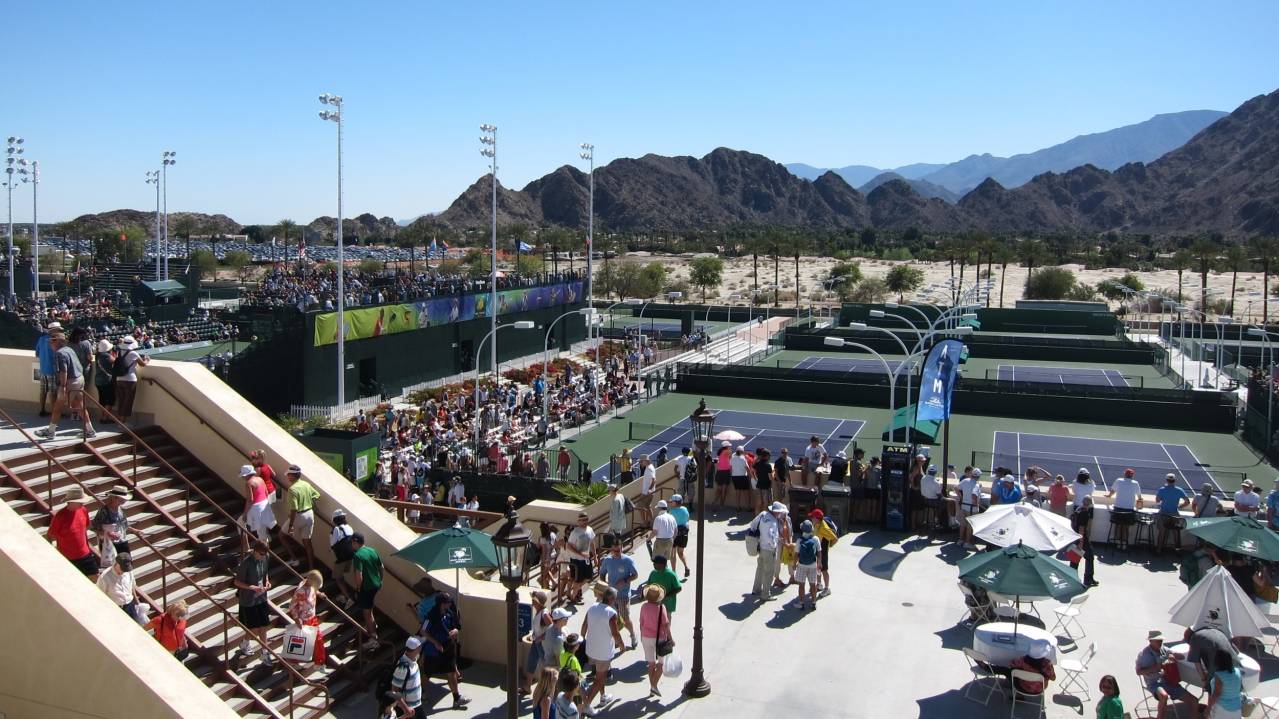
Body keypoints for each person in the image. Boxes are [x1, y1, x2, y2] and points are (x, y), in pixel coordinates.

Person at [36, 332, 96, 440]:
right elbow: (79, 366)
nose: (51, 343)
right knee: (79, 406)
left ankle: (51, 432)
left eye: (53, 341)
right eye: (50, 341)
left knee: (58, 406)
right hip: (79, 379)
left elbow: (63, 371)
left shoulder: (59, 354)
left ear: (59, 342)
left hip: (69, 383)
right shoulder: (69, 350)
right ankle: (90, 430)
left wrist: (63, 387)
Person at [421, 594, 470, 708]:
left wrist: (456, 631)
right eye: (447, 602)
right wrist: (435, 642)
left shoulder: (450, 613)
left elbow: (457, 626)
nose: (449, 604)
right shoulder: (430, 616)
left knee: (451, 672)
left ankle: (456, 698)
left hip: (448, 647)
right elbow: (423, 631)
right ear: (442, 604)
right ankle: (421, 691)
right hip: (434, 650)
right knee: (428, 673)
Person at [581, 587, 625, 711]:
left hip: (591, 649)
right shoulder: (611, 613)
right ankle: (586, 705)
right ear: (611, 599)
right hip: (603, 652)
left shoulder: (592, 607)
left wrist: (582, 640)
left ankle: (603, 696)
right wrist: (621, 646)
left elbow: (584, 625)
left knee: (599, 674)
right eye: (615, 598)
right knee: (600, 679)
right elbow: (615, 633)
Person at [1135, 629, 1194, 719]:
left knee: (1193, 701)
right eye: (1157, 640)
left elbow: (1181, 656)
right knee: (1164, 696)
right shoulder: (1144, 655)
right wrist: (1156, 667)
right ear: (1151, 641)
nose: (1160, 642)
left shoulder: (1164, 649)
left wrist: (1173, 655)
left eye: (1161, 640)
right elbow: (1139, 672)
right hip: (1154, 683)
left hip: (1169, 681)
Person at [234, 541, 274, 665]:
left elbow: (265, 572)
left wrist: (266, 581)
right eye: (261, 554)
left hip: (261, 597)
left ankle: (264, 653)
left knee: (263, 627)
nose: (263, 557)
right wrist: (251, 587)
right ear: (255, 551)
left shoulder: (265, 557)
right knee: (254, 629)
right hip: (248, 599)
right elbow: (237, 582)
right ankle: (245, 643)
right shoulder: (246, 563)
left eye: (265, 554)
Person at [599, 537, 639, 650]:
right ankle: (617, 639)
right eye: (615, 551)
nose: (617, 553)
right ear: (611, 549)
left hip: (623, 595)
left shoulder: (628, 561)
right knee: (613, 619)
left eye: (619, 550)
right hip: (610, 596)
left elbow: (635, 575)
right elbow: (602, 573)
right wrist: (604, 584)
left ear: (622, 548)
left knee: (625, 619)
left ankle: (632, 635)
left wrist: (625, 580)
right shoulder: (607, 560)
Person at [49, 486, 98, 579]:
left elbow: (86, 526)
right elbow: (51, 535)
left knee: (95, 577)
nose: (82, 503)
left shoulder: (83, 510)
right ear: (71, 501)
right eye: (80, 501)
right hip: (68, 557)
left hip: (85, 553)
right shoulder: (60, 516)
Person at [288, 569, 328, 668]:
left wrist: (319, 594)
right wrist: (297, 619)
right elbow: (292, 606)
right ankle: (295, 661)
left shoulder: (310, 585)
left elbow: (314, 589)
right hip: (304, 619)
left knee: (317, 639)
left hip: (312, 617)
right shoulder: (301, 591)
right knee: (303, 640)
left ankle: (319, 662)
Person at [351, 532, 383, 651]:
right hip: (375, 585)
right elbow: (381, 567)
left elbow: (359, 575)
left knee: (367, 613)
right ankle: (373, 630)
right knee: (370, 610)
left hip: (366, 588)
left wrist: (358, 589)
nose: (351, 545)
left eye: (352, 543)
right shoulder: (372, 551)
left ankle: (373, 639)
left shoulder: (358, 555)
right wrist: (380, 581)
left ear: (355, 542)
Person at [283, 465, 320, 569]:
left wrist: (291, 525)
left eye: (289, 475)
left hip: (299, 516)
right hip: (310, 514)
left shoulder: (292, 489)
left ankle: (294, 559)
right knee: (307, 543)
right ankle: (311, 568)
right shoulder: (306, 484)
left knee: (281, 535)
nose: (287, 477)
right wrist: (309, 500)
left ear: (293, 476)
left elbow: (294, 508)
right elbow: (317, 495)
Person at [638, 584, 672, 698]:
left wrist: (642, 635)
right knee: (661, 664)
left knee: (651, 664)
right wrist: (671, 639)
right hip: (660, 639)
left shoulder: (643, 607)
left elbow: (641, 623)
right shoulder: (662, 608)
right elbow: (666, 625)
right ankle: (653, 686)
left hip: (646, 637)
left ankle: (653, 687)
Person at [750, 501, 785, 599]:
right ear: (776, 512)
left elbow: (752, 525)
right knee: (769, 572)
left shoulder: (763, 514)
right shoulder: (773, 521)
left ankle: (755, 590)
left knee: (760, 568)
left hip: (761, 547)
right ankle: (765, 594)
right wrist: (774, 544)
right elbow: (771, 537)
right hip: (769, 550)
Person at [97, 552, 145, 624]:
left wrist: (137, 602)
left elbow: (132, 586)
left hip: (130, 605)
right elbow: (100, 595)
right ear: (116, 563)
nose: (123, 571)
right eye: (122, 568)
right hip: (116, 609)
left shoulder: (129, 572)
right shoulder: (105, 577)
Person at [240, 464, 277, 552]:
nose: (243, 477)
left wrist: (245, 514)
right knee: (262, 532)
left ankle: (249, 549)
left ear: (247, 475)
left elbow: (250, 500)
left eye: (243, 476)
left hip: (256, 509)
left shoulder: (249, 483)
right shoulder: (260, 479)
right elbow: (266, 493)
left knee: (240, 523)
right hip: (265, 506)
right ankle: (264, 550)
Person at [113, 335, 149, 424]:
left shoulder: (119, 352)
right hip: (130, 380)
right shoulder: (133, 353)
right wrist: (147, 360)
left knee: (121, 400)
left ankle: (119, 419)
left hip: (119, 379)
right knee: (127, 401)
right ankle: (123, 421)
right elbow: (143, 364)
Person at [91, 485, 133, 562]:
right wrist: (108, 534)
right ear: (114, 498)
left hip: (122, 541)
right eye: (122, 498)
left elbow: (124, 525)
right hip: (109, 544)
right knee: (114, 566)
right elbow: (94, 527)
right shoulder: (104, 511)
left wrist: (135, 531)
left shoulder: (120, 509)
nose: (124, 500)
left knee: (126, 564)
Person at [391, 637, 427, 719]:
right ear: (416, 649)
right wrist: (405, 708)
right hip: (408, 707)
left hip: (416, 704)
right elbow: (394, 690)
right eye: (420, 647)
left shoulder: (414, 657)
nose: (421, 648)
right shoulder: (402, 667)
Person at [565, 512, 595, 605]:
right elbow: (568, 546)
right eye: (582, 520)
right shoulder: (575, 532)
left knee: (589, 577)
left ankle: (574, 591)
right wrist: (580, 554)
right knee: (578, 579)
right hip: (576, 560)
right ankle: (574, 597)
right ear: (578, 521)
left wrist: (595, 555)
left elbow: (592, 542)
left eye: (586, 519)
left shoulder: (590, 529)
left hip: (586, 559)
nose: (584, 521)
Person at [328, 509, 357, 608]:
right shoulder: (349, 527)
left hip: (341, 557)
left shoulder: (336, 529)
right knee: (341, 576)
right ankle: (345, 595)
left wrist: (331, 534)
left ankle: (349, 598)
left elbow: (332, 543)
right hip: (350, 556)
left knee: (337, 577)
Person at [1155, 474, 1191, 552]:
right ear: (1175, 480)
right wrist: (1180, 506)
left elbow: (1157, 500)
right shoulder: (1179, 490)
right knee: (1176, 532)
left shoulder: (1162, 489)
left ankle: (1158, 550)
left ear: (1166, 480)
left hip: (1163, 514)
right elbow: (1187, 502)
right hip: (1174, 514)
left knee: (1161, 532)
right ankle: (1177, 550)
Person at [1107, 468, 1143, 545]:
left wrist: (1109, 495)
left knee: (1118, 525)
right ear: (1132, 476)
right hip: (1129, 510)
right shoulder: (1135, 483)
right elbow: (1139, 497)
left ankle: (1117, 542)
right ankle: (1124, 544)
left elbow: (1112, 492)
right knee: (1126, 527)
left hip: (1118, 509)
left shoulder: (1118, 480)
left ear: (1125, 474)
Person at [1207, 649, 1244, 719]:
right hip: (1237, 707)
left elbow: (1217, 694)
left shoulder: (1219, 675)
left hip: (1222, 709)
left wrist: (1208, 708)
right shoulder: (1237, 671)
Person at [1070, 496, 1098, 587]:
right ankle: (1088, 579)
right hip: (1082, 539)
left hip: (1075, 537)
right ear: (1090, 503)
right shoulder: (1085, 513)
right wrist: (1081, 542)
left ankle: (1071, 578)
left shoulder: (1078, 509)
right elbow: (1082, 527)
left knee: (1074, 560)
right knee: (1090, 558)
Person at [793, 520, 821, 610]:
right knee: (813, 585)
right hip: (813, 565)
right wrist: (819, 563)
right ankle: (813, 603)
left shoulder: (799, 540)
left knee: (801, 585)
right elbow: (819, 552)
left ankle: (801, 603)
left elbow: (796, 554)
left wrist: (794, 564)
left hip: (801, 565)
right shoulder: (816, 539)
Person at [810, 508, 837, 596]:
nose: (811, 519)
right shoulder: (816, 524)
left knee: (824, 570)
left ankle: (827, 588)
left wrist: (829, 546)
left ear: (817, 518)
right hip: (817, 550)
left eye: (812, 517)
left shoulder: (823, 527)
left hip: (823, 552)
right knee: (817, 568)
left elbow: (835, 538)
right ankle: (819, 584)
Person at [35, 321, 59, 416]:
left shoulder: (41, 339)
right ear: (55, 330)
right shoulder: (55, 340)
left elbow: (37, 353)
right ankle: (54, 413)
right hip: (52, 370)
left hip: (43, 369)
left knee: (43, 391)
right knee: (53, 392)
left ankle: (42, 410)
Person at [956, 469, 981, 549]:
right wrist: (976, 504)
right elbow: (974, 496)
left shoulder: (965, 481)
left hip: (964, 506)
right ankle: (967, 542)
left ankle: (960, 540)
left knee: (962, 524)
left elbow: (956, 488)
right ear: (978, 477)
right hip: (972, 508)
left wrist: (961, 497)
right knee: (970, 526)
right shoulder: (976, 485)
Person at [92, 338, 116, 423]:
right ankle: (105, 418)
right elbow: (115, 361)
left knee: (102, 399)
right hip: (106, 381)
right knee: (109, 400)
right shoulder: (106, 356)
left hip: (98, 381)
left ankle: (102, 416)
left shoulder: (98, 355)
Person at [668, 494, 691, 578]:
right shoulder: (685, 509)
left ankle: (674, 573)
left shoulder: (671, 511)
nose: (670, 503)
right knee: (681, 553)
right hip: (684, 534)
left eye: (672, 501)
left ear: (675, 502)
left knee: (672, 554)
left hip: (674, 534)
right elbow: (687, 519)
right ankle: (686, 567)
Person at [729, 445, 753, 511]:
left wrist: (731, 476)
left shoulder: (732, 458)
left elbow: (730, 468)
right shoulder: (743, 459)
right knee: (746, 493)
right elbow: (747, 468)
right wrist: (750, 476)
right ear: (742, 452)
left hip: (734, 477)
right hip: (742, 477)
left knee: (737, 492)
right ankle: (748, 507)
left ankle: (737, 507)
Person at [637, 454, 656, 528]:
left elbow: (654, 480)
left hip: (647, 493)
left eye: (641, 462)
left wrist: (650, 490)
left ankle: (645, 523)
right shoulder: (650, 467)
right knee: (647, 506)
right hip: (648, 492)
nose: (640, 463)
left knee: (639, 506)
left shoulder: (649, 468)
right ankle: (652, 522)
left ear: (645, 461)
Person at [713, 441, 733, 508]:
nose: (730, 447)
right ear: (726, 446)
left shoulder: (720, 452)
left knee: (719, 488)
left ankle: (715, 501)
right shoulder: (726, 451)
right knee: (724, 489)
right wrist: (729, 448)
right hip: (725, 472)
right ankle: (722, 503)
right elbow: (731, 454)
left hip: (719, 472)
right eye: (729, 446)